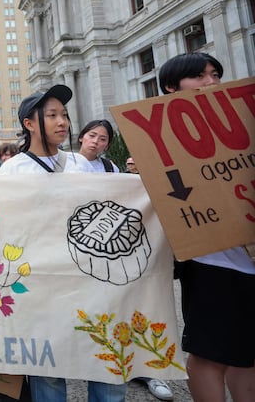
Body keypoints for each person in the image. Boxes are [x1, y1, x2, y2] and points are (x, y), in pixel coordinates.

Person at [0, 85, 124, 402]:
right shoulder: (12, 170)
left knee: (105, 362)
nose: (62, 122)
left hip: (91, 281)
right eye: (52, 115)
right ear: (29, 123)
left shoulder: (81, 165)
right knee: (50, 372)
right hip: (42, 284)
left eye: (65, 115)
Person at [159, 52, 254, 402]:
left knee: (247, 353)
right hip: (209, 263)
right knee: (209, 354)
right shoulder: (160, 144)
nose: (210, 82)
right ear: (171, 87)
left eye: (215, 74)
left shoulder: (243, 124)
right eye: (199, 76)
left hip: (249, 261)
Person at [79, 120, 173, 401]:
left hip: (108, 249)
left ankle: (144, 369)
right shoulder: (65, 165)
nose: (97, 142)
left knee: (117, 312)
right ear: (82, 137)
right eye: (92, 135)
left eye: (104, 138)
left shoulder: (110, 169)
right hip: (78, 248)